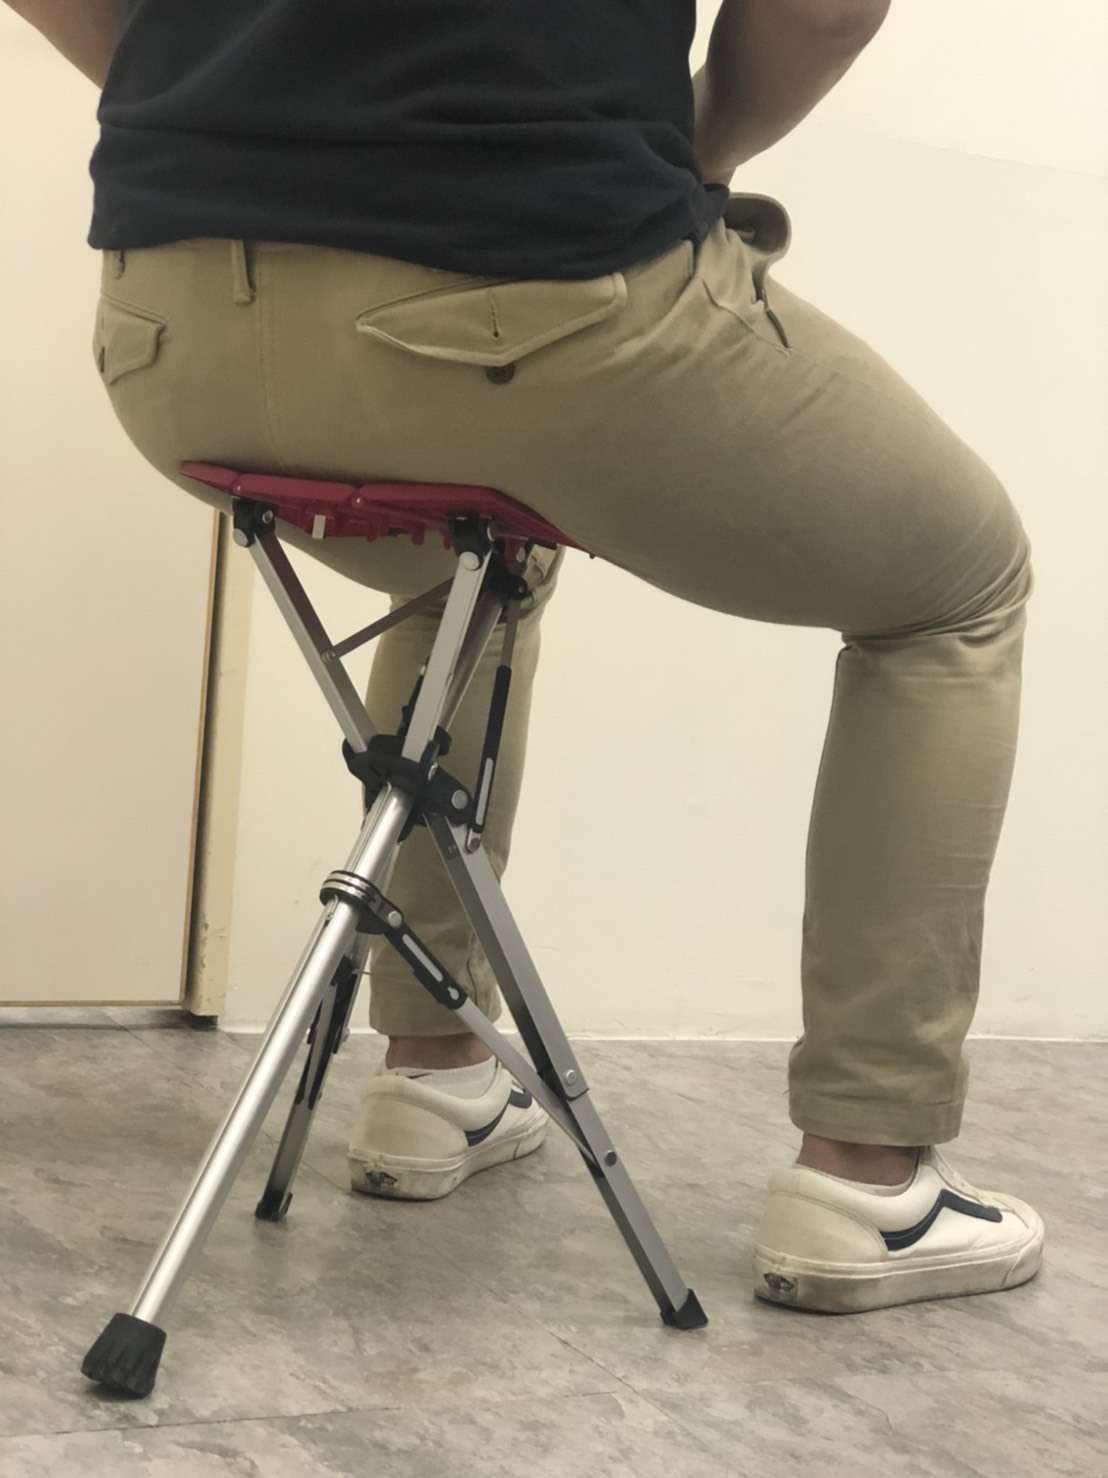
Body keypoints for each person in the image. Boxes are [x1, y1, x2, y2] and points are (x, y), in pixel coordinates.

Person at [9, 0, 1043, 1315]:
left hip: (169, 326)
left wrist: (225, 104)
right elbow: (826, 10)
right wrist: (706, 145)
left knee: (460, 569)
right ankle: (869, 1175)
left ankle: (435, 1071)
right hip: (522, 288)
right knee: (954, 588)